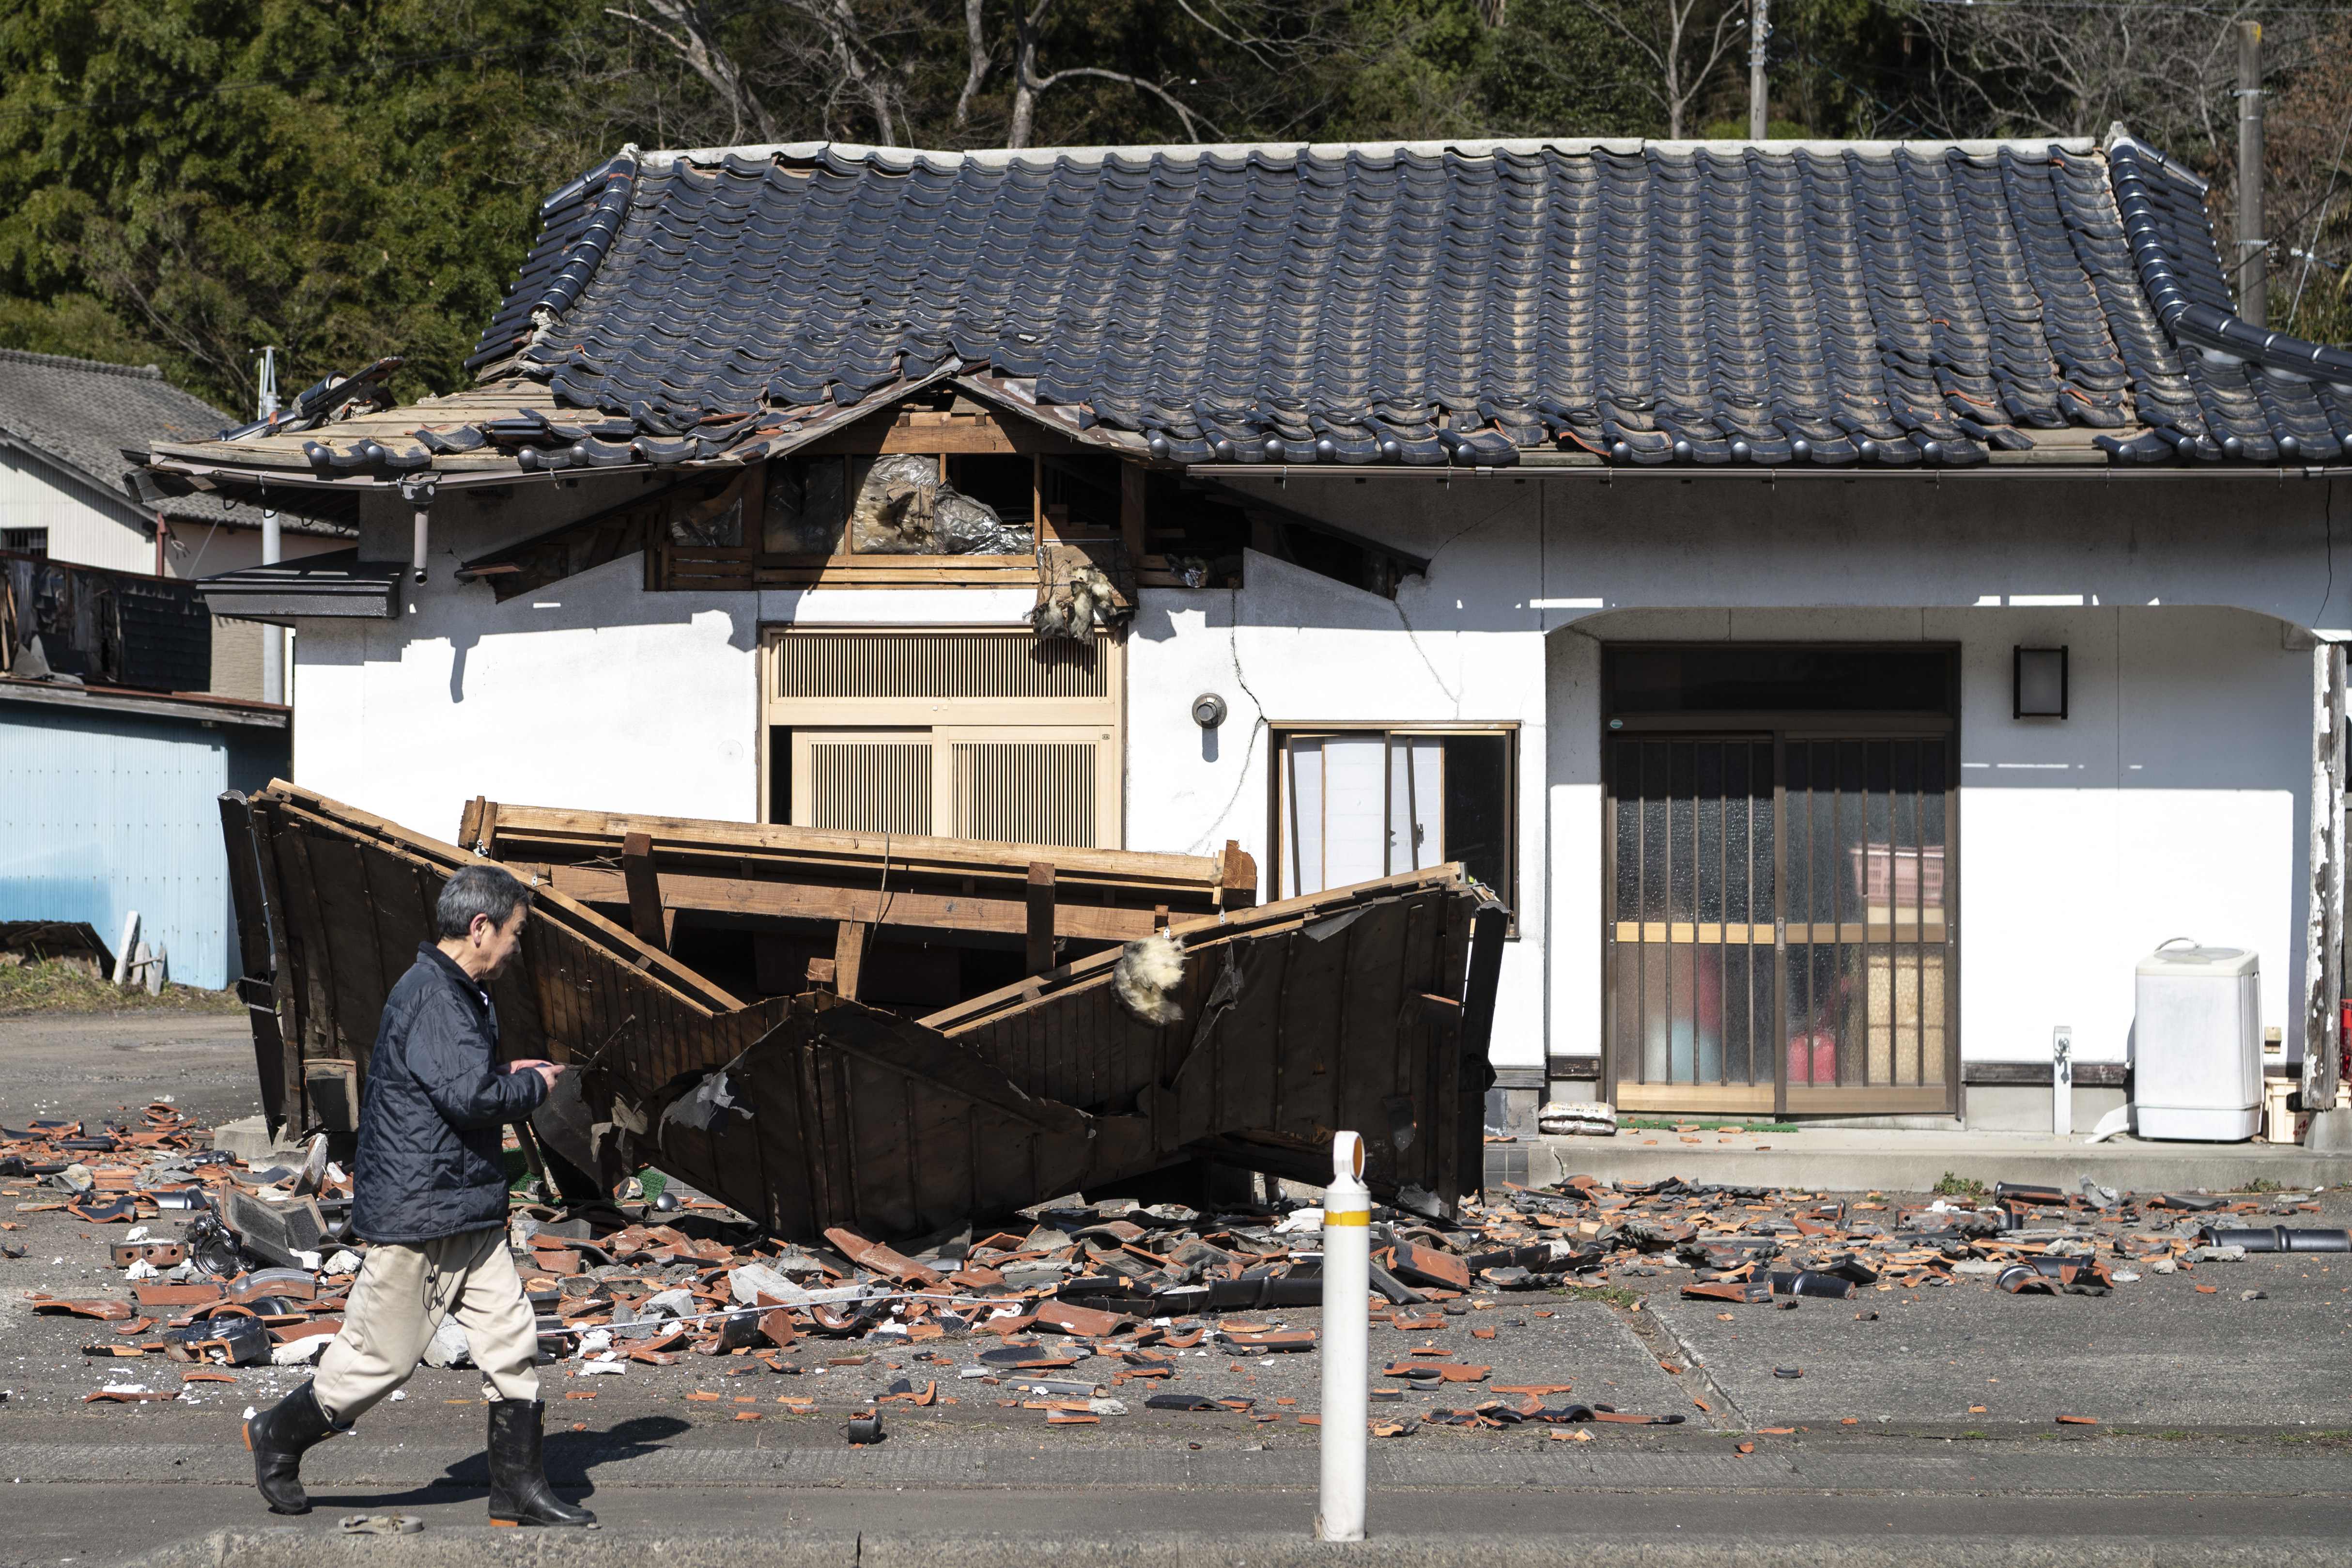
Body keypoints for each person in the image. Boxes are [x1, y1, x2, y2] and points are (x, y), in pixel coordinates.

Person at [243, 863, 595, 1527]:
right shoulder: (435, 995)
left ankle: (517, 1489)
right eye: (516, 933)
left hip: (467, 1207)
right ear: (481, 927)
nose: (517, 947)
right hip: (423, 1211)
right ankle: (277, 1436)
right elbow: (469, 1099)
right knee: (379, 1360)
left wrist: (506, 1070)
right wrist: (534, 1086)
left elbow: (455, 1080)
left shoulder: (460, 991)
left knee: (512, 1341)